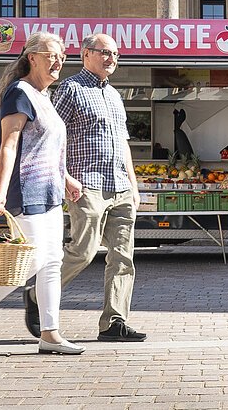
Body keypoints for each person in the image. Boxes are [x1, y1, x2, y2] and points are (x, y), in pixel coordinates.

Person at [0, 32, 85, 355]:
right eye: (51, 55)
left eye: (61, 56)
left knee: (52, 262)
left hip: (51, 191)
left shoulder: (45, 96)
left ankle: (49, 333)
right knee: (31, 261)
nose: (57, 62)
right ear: (32, 57)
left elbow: (48, 149)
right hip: (26, 191)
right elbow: (9, 144)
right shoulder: (20, 93)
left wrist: (67, 178)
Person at [33, 32, 145, 343]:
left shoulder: (115, 96)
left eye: (116, 55)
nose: (112, 59)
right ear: (86, 54)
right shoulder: (71, 89)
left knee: (124, 257)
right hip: (86, 185)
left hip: (119, 186)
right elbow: (52, 136)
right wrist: (65, 176)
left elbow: (123, 145)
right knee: (83, 251)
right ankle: (37, 293)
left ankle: (114, 322)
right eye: (106, 52)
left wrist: (133, 187)